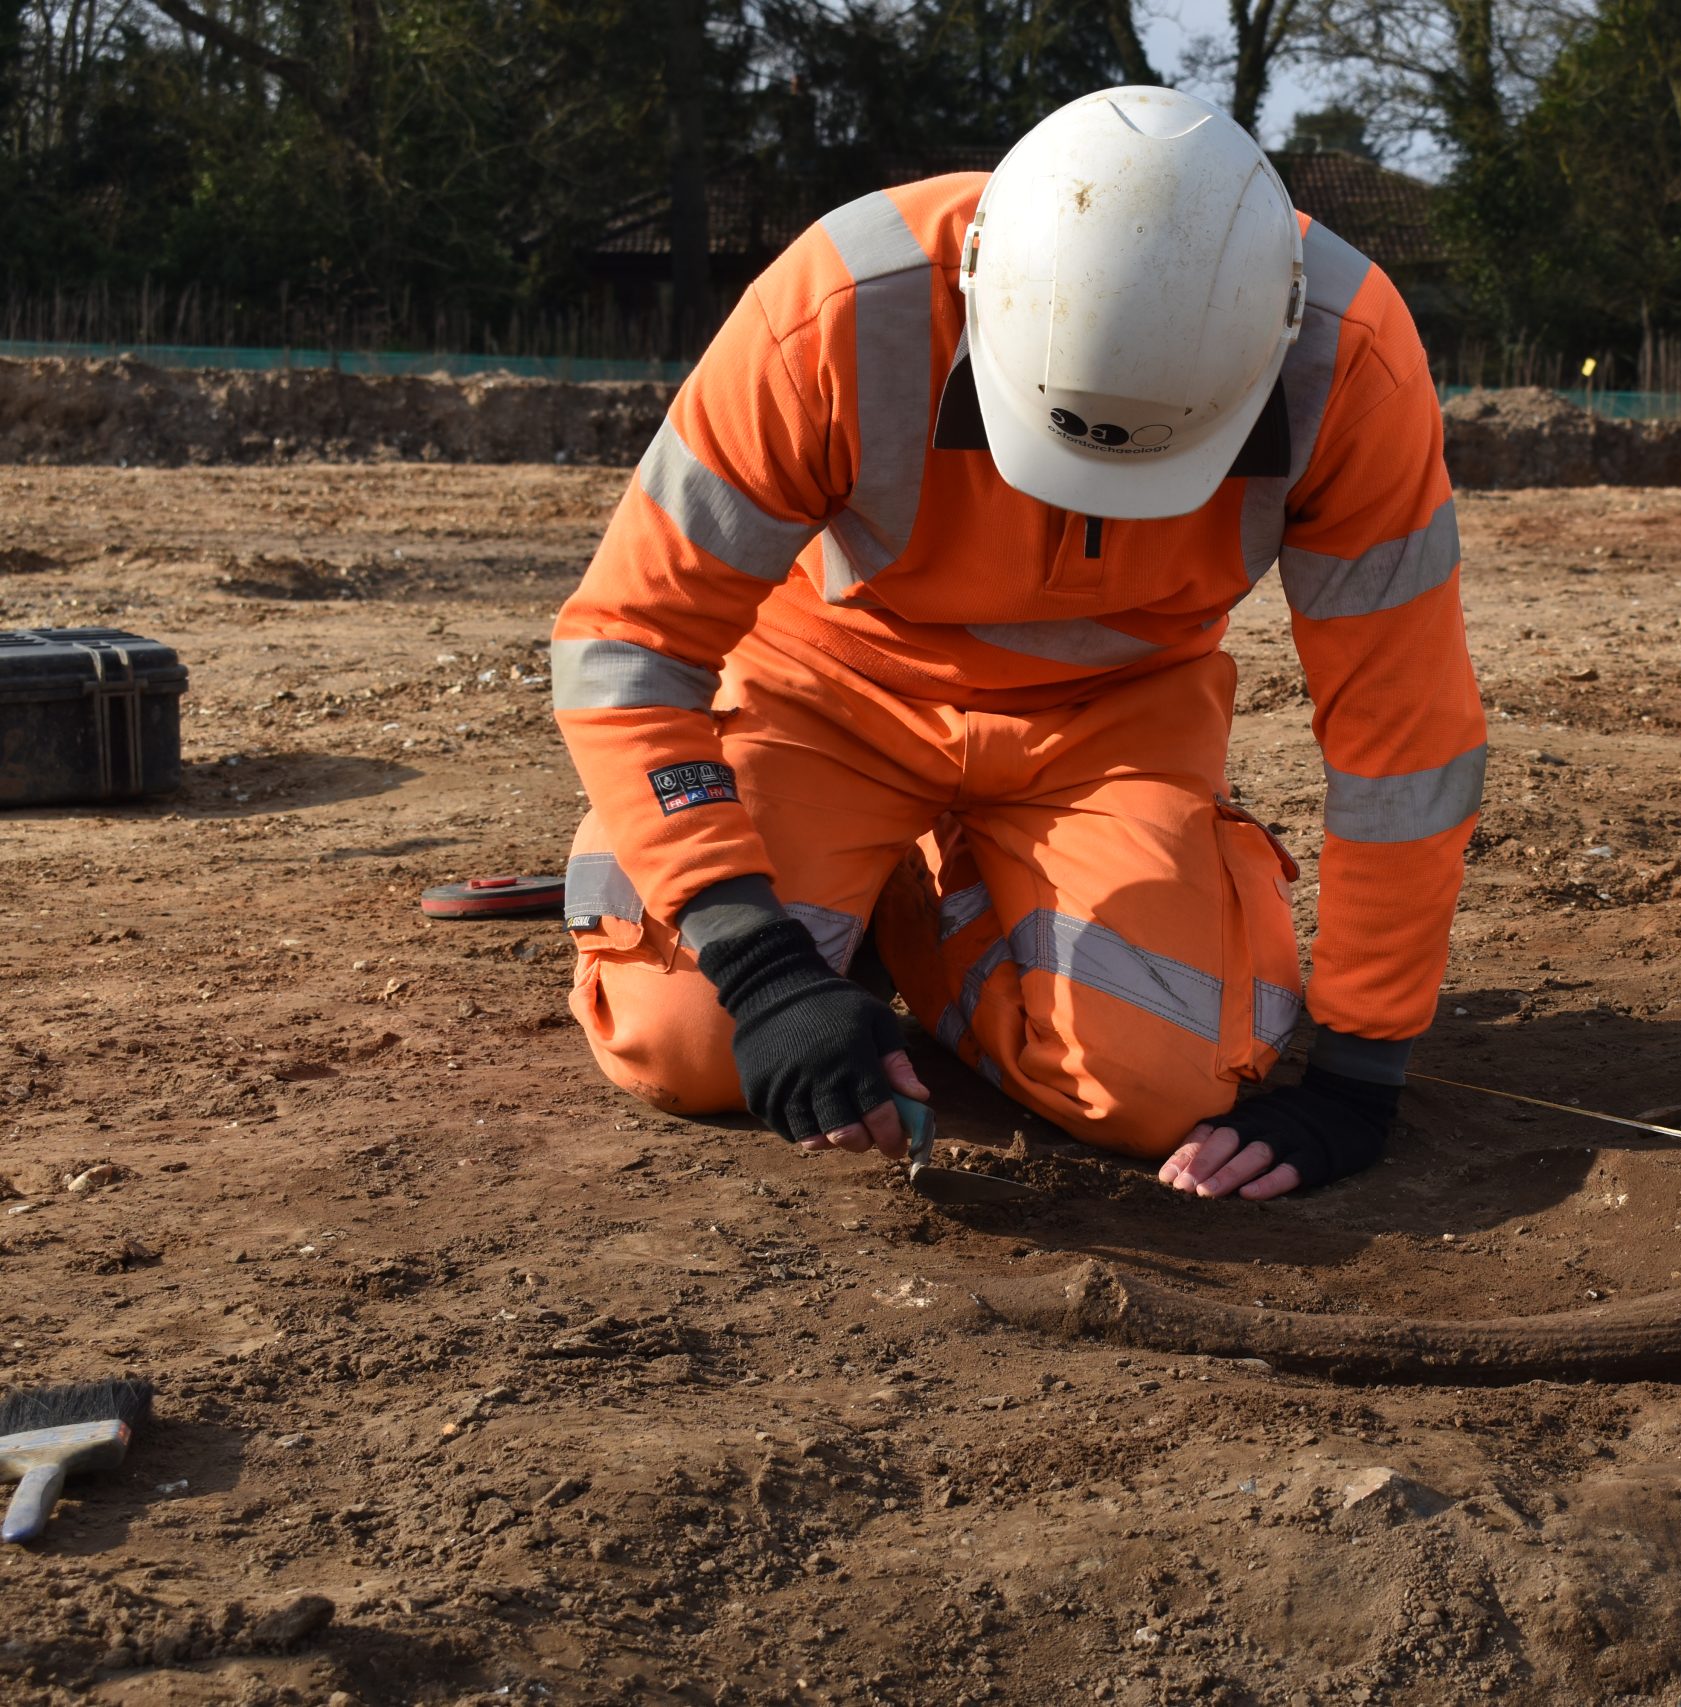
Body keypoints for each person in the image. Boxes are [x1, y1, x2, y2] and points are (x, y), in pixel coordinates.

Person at [547, 86, 1484, 1201]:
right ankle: (766, 880)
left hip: (1114, 722)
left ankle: (912, 913)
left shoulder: (1349, 360)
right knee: (687, 1041)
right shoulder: (842, 305)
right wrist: (759, 958)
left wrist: (1360, 1073)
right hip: (829, 688)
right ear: (979, 283)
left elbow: (1405, 737)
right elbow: (628, 641)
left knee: (1166, 1091)